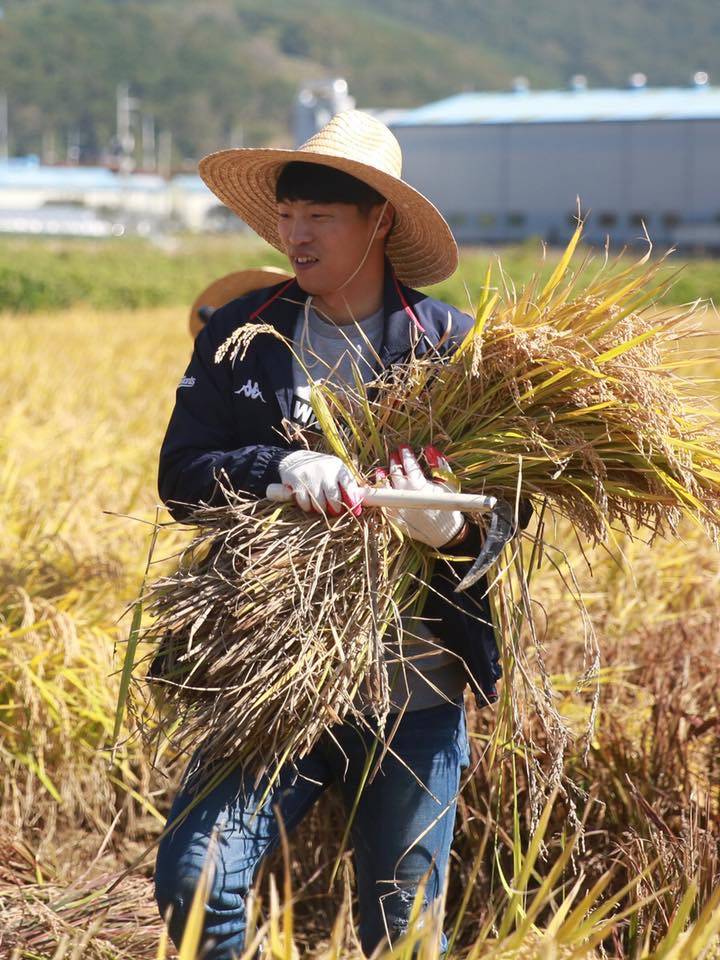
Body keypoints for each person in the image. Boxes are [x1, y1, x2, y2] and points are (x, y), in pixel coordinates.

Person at [154, 110, 505, 958]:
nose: (295, 234)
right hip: (275, 681)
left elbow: (506, 514)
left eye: (321, 216)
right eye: (287, 214)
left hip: (413, 694)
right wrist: (273, 468)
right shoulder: (246, 332)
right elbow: (182, 475)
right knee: (197, 876)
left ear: (378, 221)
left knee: (403, 932)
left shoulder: (450, 348)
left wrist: (445, 526)